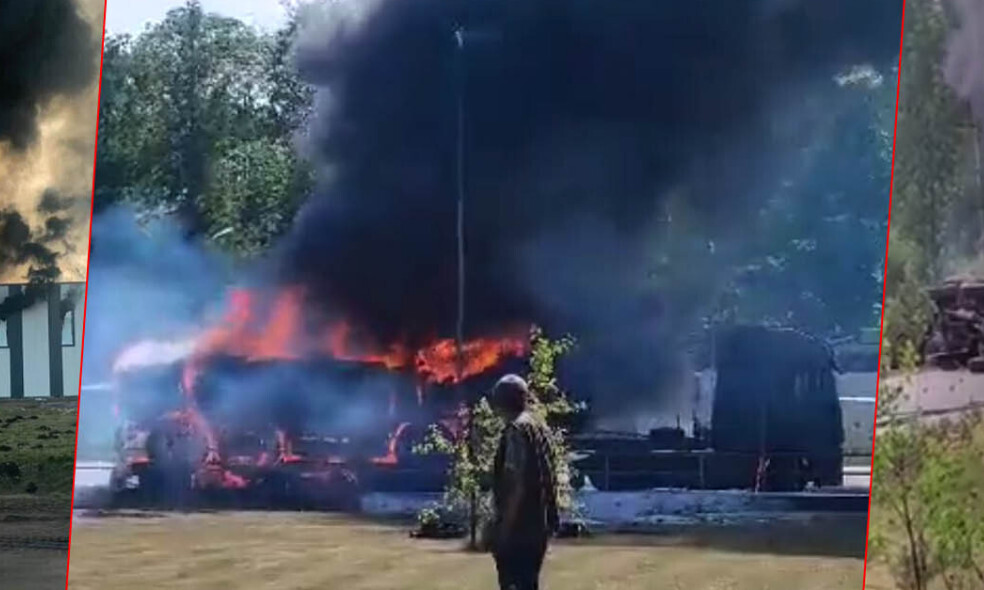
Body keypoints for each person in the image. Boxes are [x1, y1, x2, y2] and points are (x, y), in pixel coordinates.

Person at [490, 374, 559, 590]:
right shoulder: (539, 428)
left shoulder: (516, 431)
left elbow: (516, 483)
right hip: (539, 524)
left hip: (520, 528)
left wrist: (504, 528)